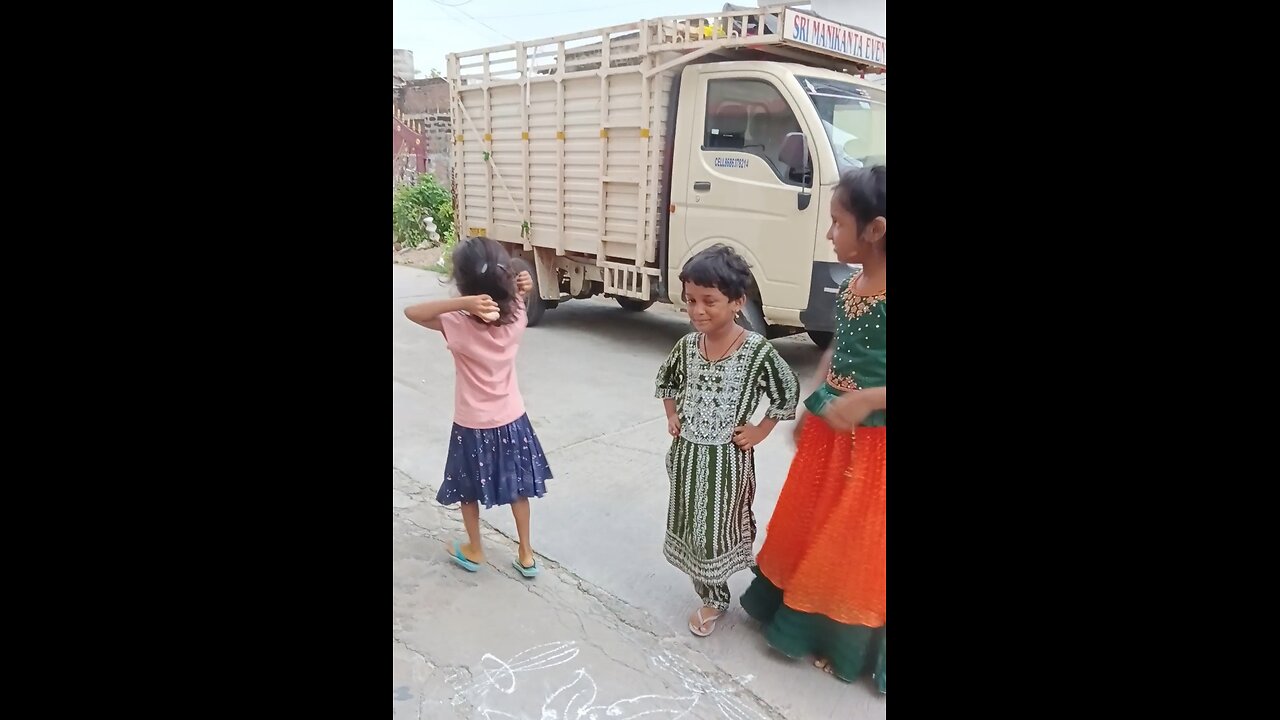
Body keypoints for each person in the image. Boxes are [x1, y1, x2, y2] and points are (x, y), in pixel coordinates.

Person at [740, 165, 887, 693]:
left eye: (837, 223)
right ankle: (804, 615)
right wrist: (813, 400)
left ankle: (845, 639)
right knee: (817, 528)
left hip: (875, 446)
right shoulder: (851, 285)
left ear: (875, 229)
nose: (829, 233)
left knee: (856, 541)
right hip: (832, 436)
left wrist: (868, 398)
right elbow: (835, 349)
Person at [655, 245, 800, 637]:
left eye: (709, 301)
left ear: (737, 302)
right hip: (686, 459)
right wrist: (672, 414)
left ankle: (718, 594)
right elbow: (667, 381)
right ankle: (711, 594)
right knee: (692, 528)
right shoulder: (687, 347)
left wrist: (760, 430)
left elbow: (786, 391)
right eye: (690, 301)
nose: (697, 310)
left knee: (716, 530)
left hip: (727, 466)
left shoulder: (756, 351)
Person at [402, 237, 552, 578]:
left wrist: (465, 303)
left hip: (471, 423)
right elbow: (515, 290)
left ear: (463, 284)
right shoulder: (516, 317)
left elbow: (412, 312)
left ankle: (474, 548)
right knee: (519, 488)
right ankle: (526, 553)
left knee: (467, 488)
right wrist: (519, 280)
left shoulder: (456, 323)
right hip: (513, 418)